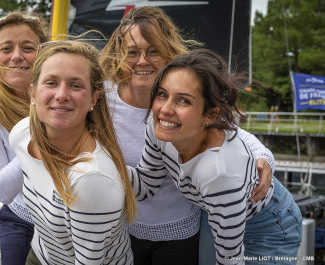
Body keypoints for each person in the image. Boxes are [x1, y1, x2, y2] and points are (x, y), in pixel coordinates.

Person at [99, 6, 276, 265]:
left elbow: (232, 132)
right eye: (132, 52)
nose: (141, 61)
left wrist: (263, 157)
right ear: (119, 54)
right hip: (128, 225)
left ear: (168, 53)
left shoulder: (189, 102)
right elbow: (146, 181)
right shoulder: (105, 100)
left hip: (185, 224)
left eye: (153, 51)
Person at [129, 49, 302, 264]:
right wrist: (96, 165)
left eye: (183, 101)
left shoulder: (218, 173)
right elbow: (146, 185)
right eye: (162, 94)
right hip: (220, 212)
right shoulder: (158, 128)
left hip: (267, 223)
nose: (165, 109)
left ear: (210, 115)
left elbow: (230, 260)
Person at [9, 40, 137, 265]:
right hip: (41, 255)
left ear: (93, 99)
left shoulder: (92, 181)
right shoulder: (21, 135)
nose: (61, 94)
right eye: (51, 82)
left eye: (75, 85)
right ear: (32, 92)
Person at [0, 11, 49, 265]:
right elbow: (2, 191)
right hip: (22, 217)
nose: (16, 56)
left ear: (44, 52)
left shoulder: (69, 93)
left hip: (75, 217)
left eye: (28, 47)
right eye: (6, 48)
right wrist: (41, 131)